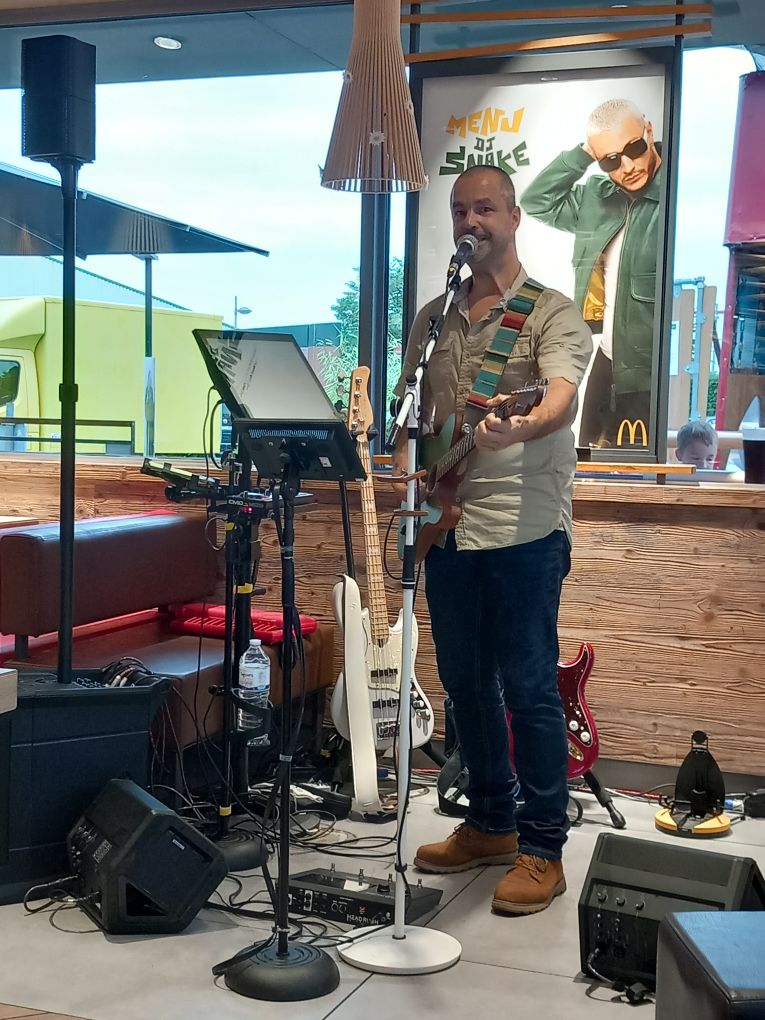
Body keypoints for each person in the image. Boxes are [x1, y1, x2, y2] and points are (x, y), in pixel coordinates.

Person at [392, 165, 592, 915]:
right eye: (458, 210)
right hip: (443, 529)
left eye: (483, 208)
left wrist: (523, 424)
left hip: (522, 530)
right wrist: (408, 476)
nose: (469, 221)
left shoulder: (551, 313)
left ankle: (543, 848)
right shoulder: (432, 317)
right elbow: (411, 417)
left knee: (530, 690)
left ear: (512, 217)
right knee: (465, 684)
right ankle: (489, 822)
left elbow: (559, 400)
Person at [520, 98, 663, 449]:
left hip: (648, 371)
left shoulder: (672, 197)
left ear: (649, 131)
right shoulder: (595, 199)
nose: (627, 166)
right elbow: (536, 201)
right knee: (587, 463)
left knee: (635, 473)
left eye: (634, 148)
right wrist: (585, 153)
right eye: (610, 160)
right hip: (607, 357)